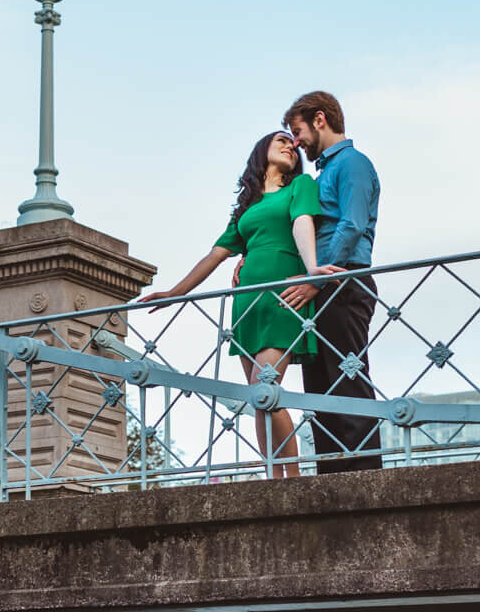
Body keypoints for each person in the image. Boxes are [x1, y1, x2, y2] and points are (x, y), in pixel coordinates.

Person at [143, 130, 326, 479]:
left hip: (282, 296)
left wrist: (312, 269)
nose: (290, 147)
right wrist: (176, 292)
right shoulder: (247, 207)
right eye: (281, 142)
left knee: (265, 388)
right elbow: (215, 255)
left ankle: (295, 481)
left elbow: (303, 223)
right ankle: (274, 478)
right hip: (248, 303)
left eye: (292, 144)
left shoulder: (299, 186)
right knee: (259, 400)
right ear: (262, 152)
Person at [279, 91, 382, 472]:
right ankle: (331, 475)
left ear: (319, 119)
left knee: (348, 378)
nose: (296, 141)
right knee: (320, 389)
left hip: (342, 283)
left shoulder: (352, 163)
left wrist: (315, 281)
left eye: (298, 130)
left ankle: (364, 477)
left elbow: (352, 225)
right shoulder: (322, 174)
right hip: (323, 287)